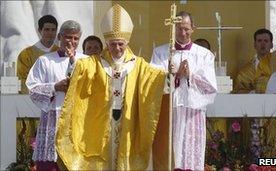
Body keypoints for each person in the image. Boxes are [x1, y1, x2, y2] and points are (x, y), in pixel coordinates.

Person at [56, 4, 166, 170]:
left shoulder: (138, 64)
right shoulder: (96, 62)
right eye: (113, 44)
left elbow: (155, 78)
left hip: (128, 120)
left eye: (120, 44)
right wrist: (73, 61)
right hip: (103, 123)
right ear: (106, 43)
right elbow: (82, 70)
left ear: (127, 42)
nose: (117, 48)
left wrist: (169, 74)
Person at [151, 11, 217, 171]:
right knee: (169, 154)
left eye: (186, 28)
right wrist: (171, 75)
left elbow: (211, 87)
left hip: (192, 113)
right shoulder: (160, 53)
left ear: (193, 28)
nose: (182, 32)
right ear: (173, 29)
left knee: (190, 156)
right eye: (179, 28)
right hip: (168, 111)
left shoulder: (204, 55)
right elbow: (151, 82)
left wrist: (190, 76)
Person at [26, 20, 86, 171]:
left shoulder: (85, 61)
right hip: (53, 119)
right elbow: (32, 88)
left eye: (75, 38)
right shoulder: (45, 60)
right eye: (68, 37)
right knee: (50, 165)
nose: (72, 41)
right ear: (59, 36)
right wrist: (55, 87)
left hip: (77, 119)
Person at [17, 15, 59, 94]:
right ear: (40, 30)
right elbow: (22, 81)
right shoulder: (26, 54)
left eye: (53, 30)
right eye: (47, 29)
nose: (50, 33)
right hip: (33, 101)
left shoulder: (61, 53)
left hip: (57, 100)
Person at [234, 28, 273, 93]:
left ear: (271, 45)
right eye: (259, 41)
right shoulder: (245, 72)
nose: (262, 44)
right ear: (255, 44)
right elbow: (238, 91)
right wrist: (252, 92)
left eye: (266, 41)